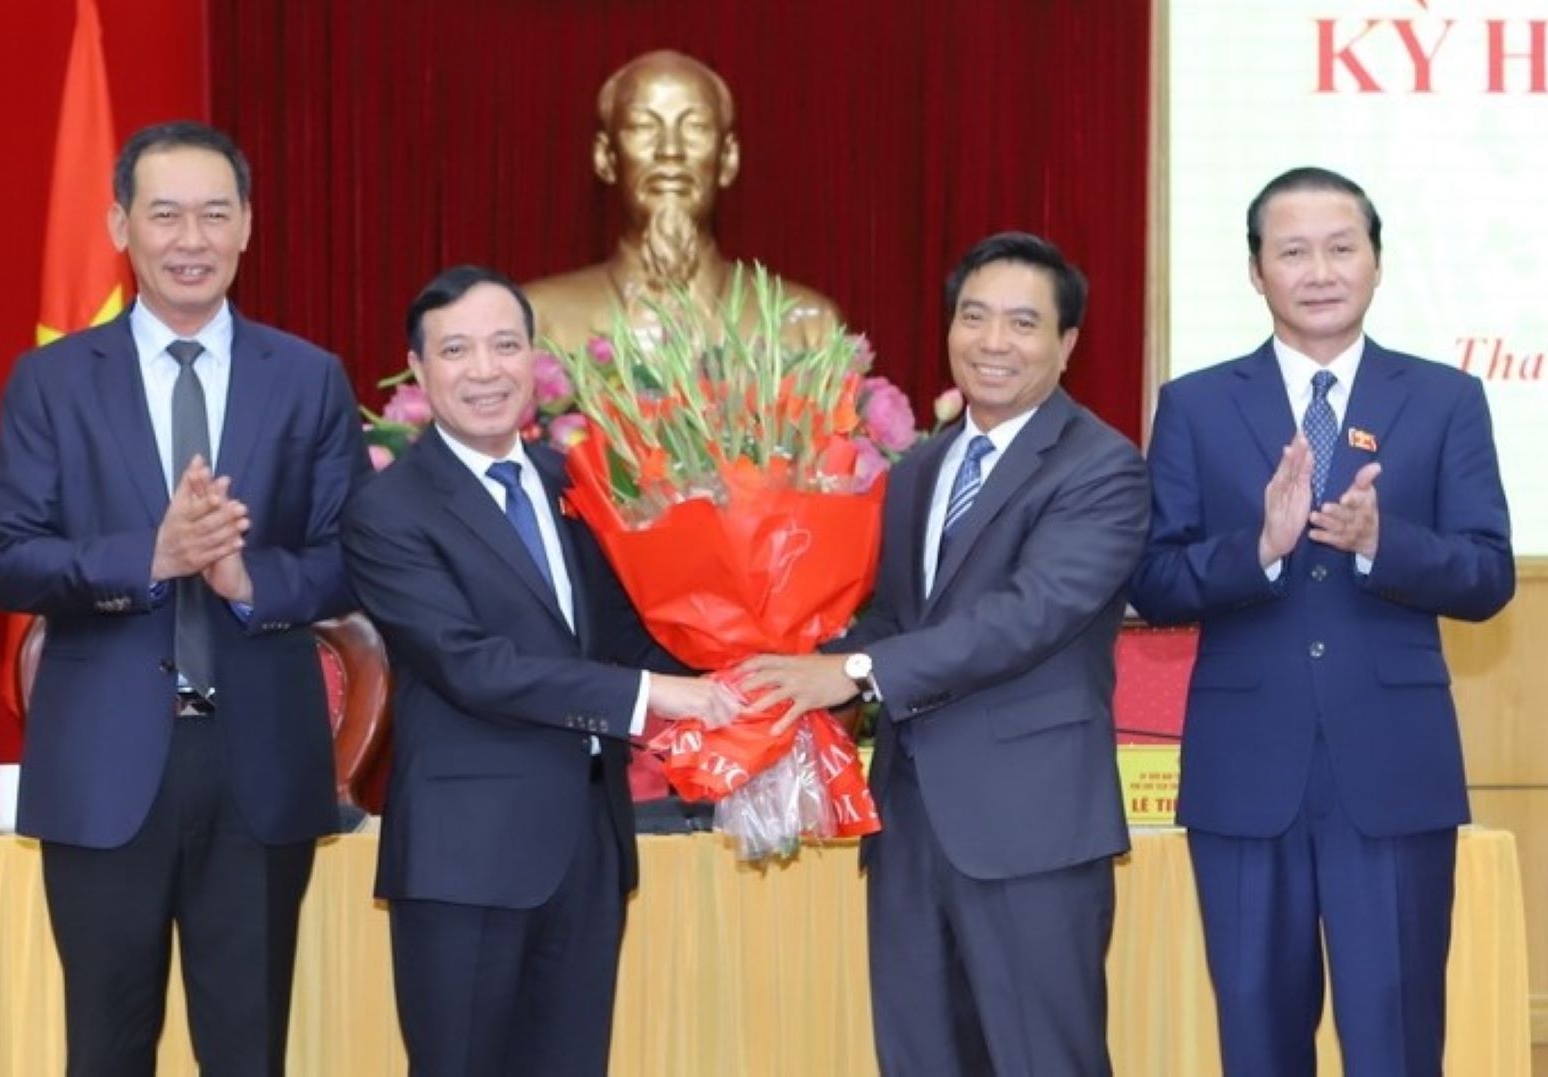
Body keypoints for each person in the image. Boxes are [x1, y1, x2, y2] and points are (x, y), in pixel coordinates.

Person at [0, 120, 371, 1075]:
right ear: (120, 224)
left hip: (261, 771)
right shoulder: (52, 380)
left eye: (213, 214)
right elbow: (8, 560)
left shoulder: (309, 378)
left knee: (248, 1051)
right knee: (106, 1051)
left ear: (247, 228)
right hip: (105, 766)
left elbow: (357, 561)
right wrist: (147, 558)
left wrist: (250, 579)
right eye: (164, 214)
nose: (189, 239)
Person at [1128, 167, 1514, 1076]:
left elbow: (1488, 574)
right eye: (1291, 251)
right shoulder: (1195, 404)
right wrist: (1257, 549)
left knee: (1396, 1033)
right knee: (1258, 1038)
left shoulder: (1445, 400)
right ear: (1256, 272)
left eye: (1342, 247)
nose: (1319, 270)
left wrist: (1386, 545)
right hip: (1244, 770)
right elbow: (1151, 579)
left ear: (1376, 263)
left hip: (1392, 768)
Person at [739, 233, 1149, 1076]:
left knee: (1045, 1059)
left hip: (1030, 830)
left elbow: (1026, 615)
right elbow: (896, 614)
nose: (993, 341)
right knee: (921, 1056)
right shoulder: (924, 465)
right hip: (911, 824)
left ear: (1067, 344)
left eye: (1023, 323)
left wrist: (852, 673)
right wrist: (778, 665)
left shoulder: (1101, 467)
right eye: (975, 316)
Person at [340, 265, 733, 1075]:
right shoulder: (390, 509)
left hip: (587, 849)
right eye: (457, 350)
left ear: (534, 359)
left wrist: (750, 664)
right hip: (466, 860)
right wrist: (654, 694)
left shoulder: (574, 487)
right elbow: (470, 665)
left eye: (504, 345)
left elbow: (628, 632)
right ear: (419, 370)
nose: (485, 370)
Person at [522, 48, 842, 352]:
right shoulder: (541, 321)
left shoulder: (809, 327)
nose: (670, 150)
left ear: (728, 159)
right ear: (605, 157)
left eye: (696, 127)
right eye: (643, 126)